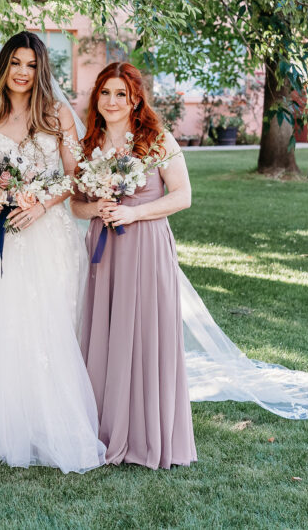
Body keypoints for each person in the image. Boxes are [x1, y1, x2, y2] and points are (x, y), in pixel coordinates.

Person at [0, 31, 106, 473]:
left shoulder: (56, 115)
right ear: (3, 67)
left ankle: (45, 422)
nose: (22, 72)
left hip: (48, 234)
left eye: (31, 65)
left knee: (45, 323)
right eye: (15, 63)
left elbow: (74, 177)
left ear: (42, 71)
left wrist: (40, 203)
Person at [71, 62, 197, 469]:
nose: (112, 101)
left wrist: (133, 214)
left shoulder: (157, 140)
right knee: (107, 332)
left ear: (136, 99)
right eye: (105, 93)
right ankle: (106, 428)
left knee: (144, 332)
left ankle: (147, 434)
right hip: (104, 251)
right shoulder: (89, 144)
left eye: (120, 94)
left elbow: (182, 196)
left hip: (145, 246)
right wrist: (96, 207)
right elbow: (75, 203)